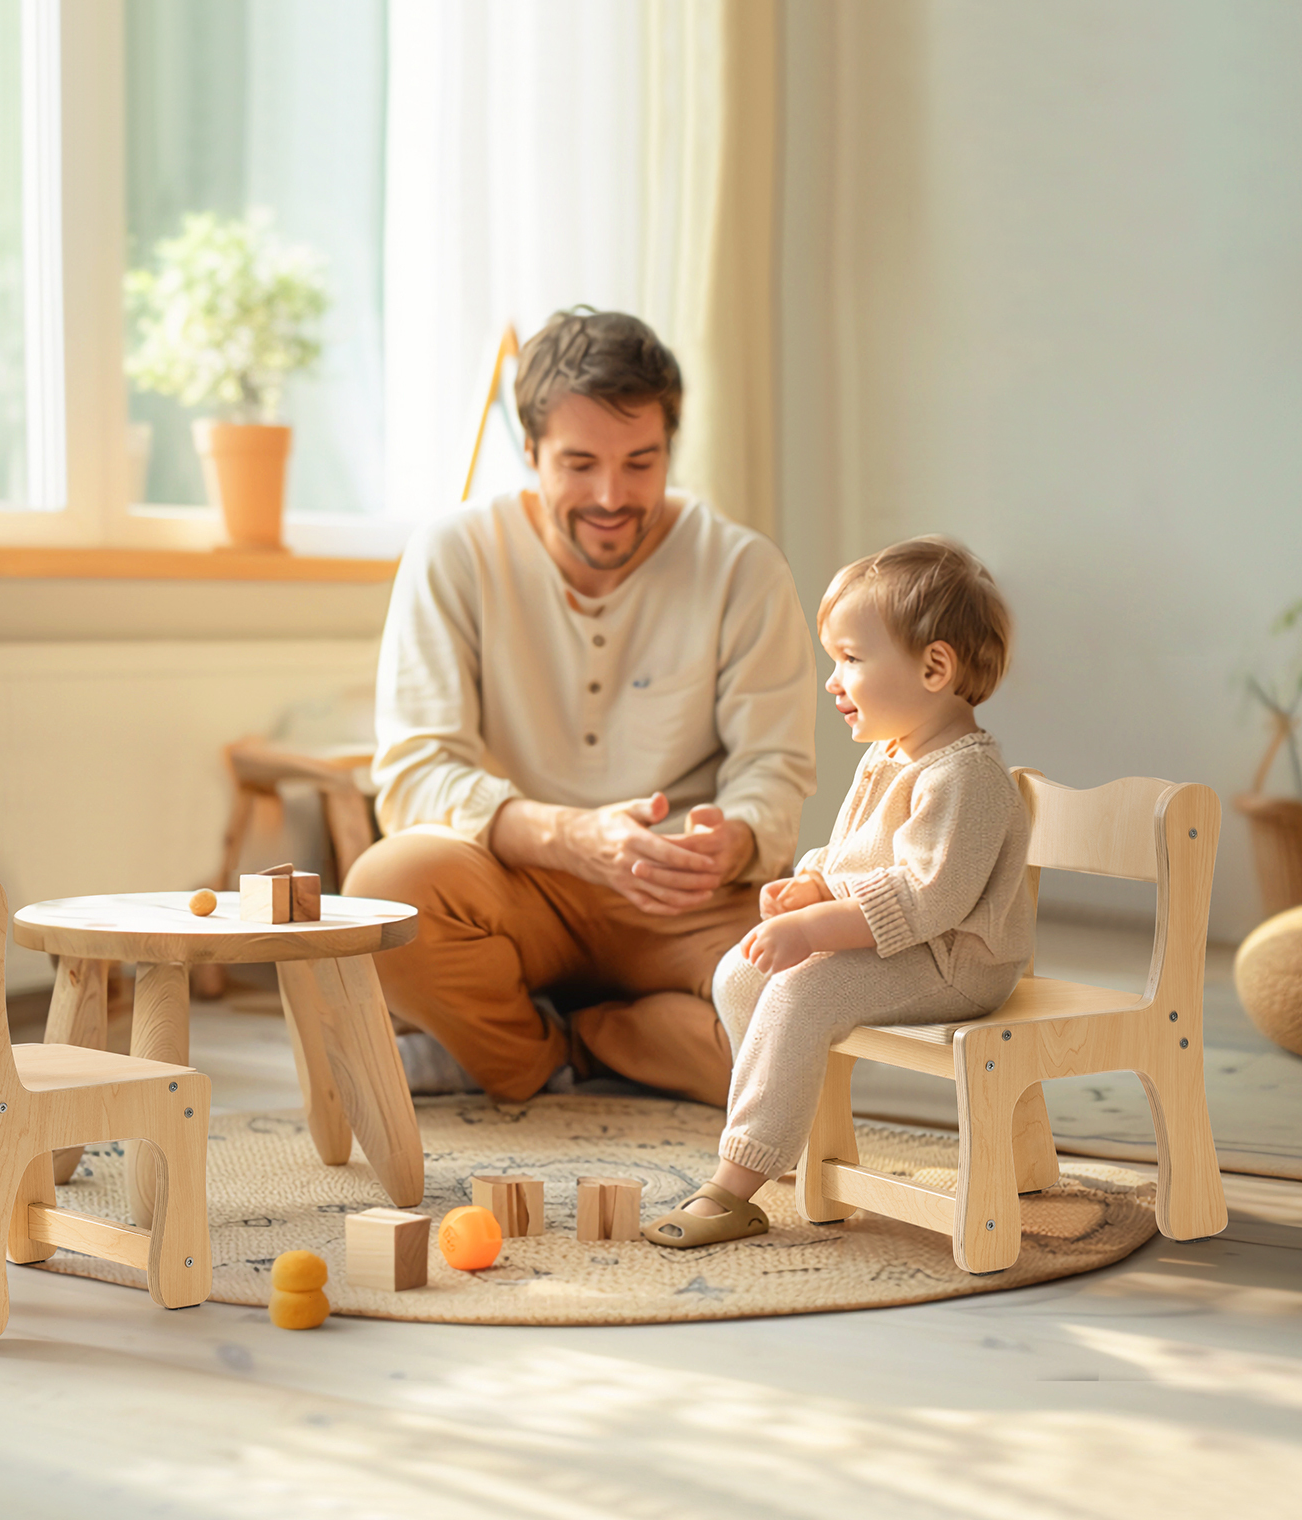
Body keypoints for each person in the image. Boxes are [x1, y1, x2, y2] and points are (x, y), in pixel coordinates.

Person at [343, 309, 817, 1106]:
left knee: (805, 1022)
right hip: (520, 882)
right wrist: (568, 837)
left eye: (640, 462)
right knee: (386, 886)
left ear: (670, 449)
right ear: (530, 453)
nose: (611, 496)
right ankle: (569, 1050)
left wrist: (734, 840)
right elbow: (415, 775)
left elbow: (775, 769)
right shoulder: (454, 553)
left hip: (686, 899)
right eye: (579, 464)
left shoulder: (744, 569)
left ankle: (567, 1045)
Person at [642, 536, 1033, 1246]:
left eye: (850, 659)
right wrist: (814, 884)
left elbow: (929, 898)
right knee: (741, 973)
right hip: (906, 947)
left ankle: (734, 1185)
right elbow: (856, 850)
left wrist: (816, 929)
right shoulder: (889, 756)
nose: (832, 681)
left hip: (957, 963)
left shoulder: (964, 776)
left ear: (934, 668)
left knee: (802, 990)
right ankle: (782, 1133)